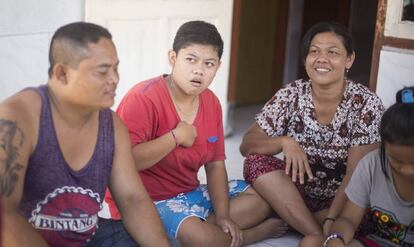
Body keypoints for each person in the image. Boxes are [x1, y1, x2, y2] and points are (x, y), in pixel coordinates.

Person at [104, 20, 288, 247]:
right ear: (173, 58)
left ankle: (205, 231)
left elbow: (215, 165)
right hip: (146, 201)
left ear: (218, 66)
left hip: (190, 193)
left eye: (209, 63)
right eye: (190, 60)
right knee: (198, 237)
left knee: (262, 200)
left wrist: (223, 216)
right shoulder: (143, 97)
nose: (199, 70)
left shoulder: (211, 102)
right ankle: (247, 235)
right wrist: (174, 138)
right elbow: (125, 163)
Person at [0, 22, 169, 247]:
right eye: (102, 71)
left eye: (115, 68)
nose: (115, 79)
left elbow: (133, 200)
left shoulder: (112, 125)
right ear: (62, 73)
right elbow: (4, 215)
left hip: (88, 237)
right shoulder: (17, 118)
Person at [239, 21, 385, 237]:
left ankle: (291, 219)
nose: (321, 58)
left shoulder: (366, 104)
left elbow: (356, 176)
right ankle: (315, 233)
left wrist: (332, 218)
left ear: (349, 60)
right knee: (255, 161)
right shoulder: (291, 94)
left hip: (342, 199)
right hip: (295, 191)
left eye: (333, 52)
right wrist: (283, 142)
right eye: (314, 51)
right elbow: (247, 145)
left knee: (363, 215)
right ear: (306, 59)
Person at [300, 87, 414, 247]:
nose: (408, 171)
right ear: (383, 146)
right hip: (378, 242)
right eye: (397, 161)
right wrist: (337, 238)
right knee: (311, 243)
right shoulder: (372, 164)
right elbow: (348, 219)